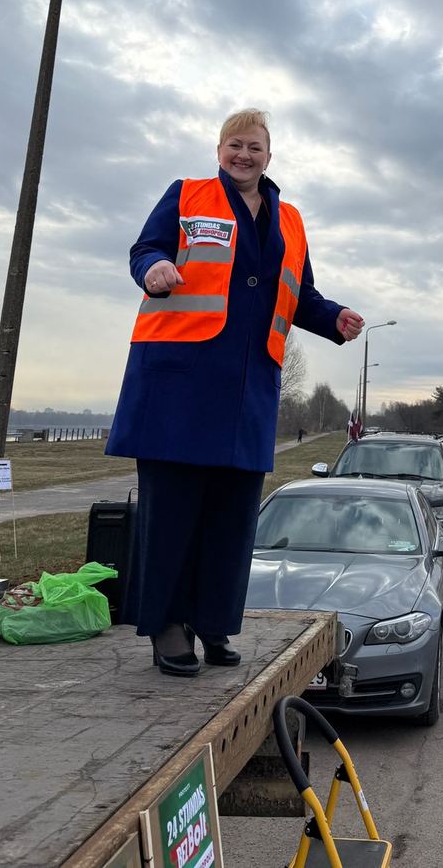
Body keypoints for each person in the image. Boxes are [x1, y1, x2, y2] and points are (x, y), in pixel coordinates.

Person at [105, 109, 363, 676]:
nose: (244, 156)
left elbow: (298, 293)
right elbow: (144, 250)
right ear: (219, 150)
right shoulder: (187, 194)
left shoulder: (290, 219)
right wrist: (154, 268)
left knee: (232, 516)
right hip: (180, 384)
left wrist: (333, 317)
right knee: (172, 511)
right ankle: (167, 624)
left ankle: (212, 620)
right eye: (235, 145)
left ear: (269, 157)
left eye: (255, 148)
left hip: (249, 389)